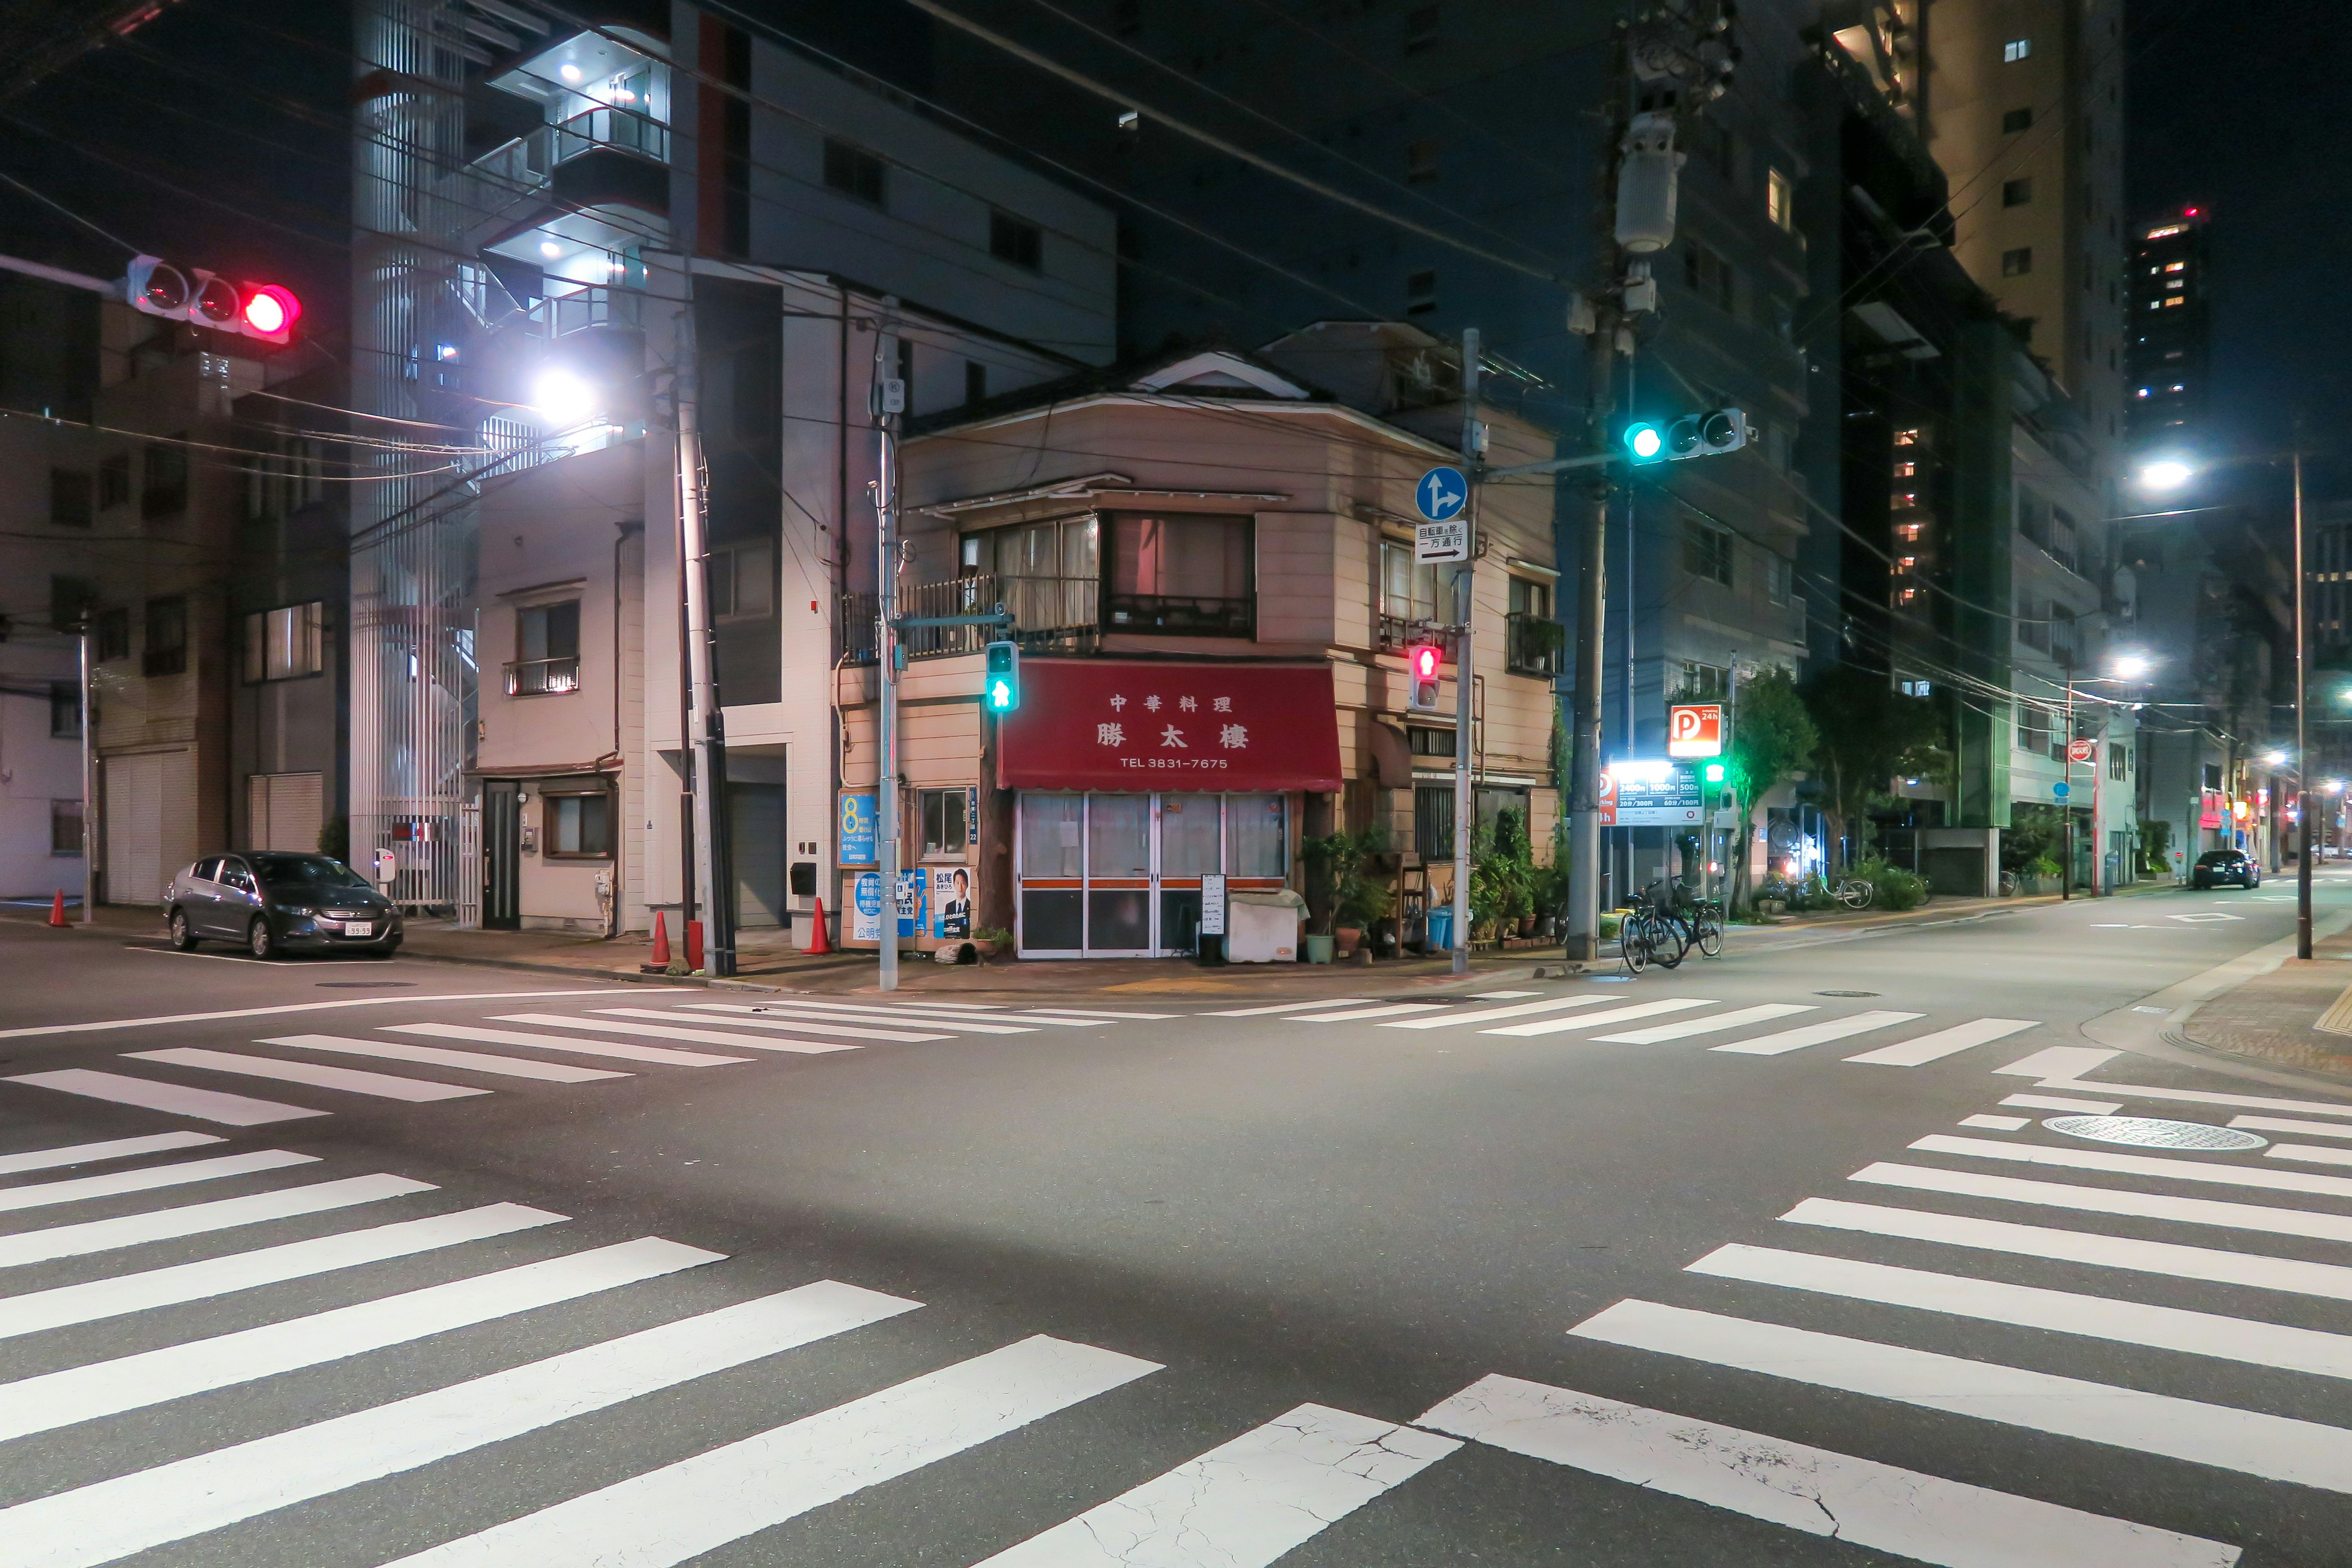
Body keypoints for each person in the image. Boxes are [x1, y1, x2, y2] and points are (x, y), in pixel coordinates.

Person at [937, 867, 971, 938]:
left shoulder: (971, 906)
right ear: (954, 885)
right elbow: (946, 929)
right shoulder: (949, 906)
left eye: (963, 883)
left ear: (967, 885)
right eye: (957, 883)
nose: (960, 887)